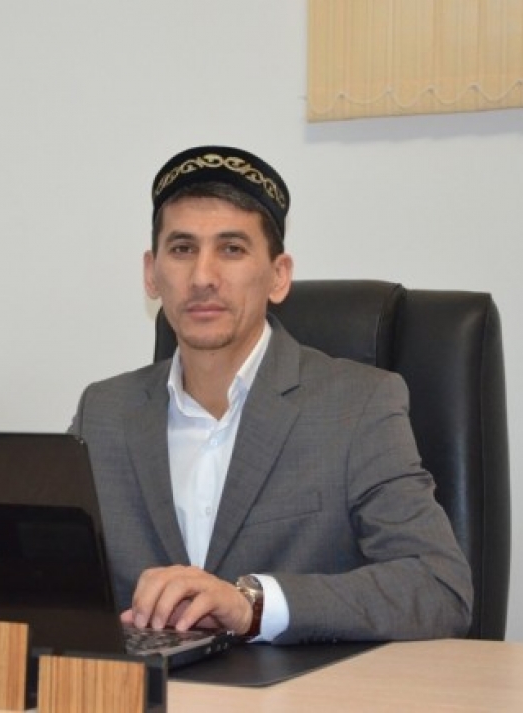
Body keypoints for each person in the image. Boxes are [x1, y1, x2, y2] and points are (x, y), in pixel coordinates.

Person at [69, 145, 473, 645]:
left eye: (232, 249)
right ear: (151, 274)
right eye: (183, 249)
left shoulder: (358, 406)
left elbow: (438, 589)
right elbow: (44, 582)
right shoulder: (103, 413)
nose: (203, 277)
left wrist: (253, 605)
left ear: (279, 276)